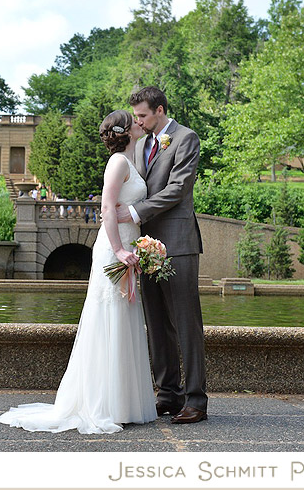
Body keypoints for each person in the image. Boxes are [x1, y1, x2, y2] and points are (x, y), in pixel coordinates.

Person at [0, 110, 156, 434]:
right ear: (126, 130)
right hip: (114, 249)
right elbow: (107, 209)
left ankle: (121, 402)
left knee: (123, 321)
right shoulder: (118, 163)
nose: (141, 122)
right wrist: (121, 250)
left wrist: (136, 246)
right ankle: (103, 404)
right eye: (135, 120)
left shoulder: (130, 161)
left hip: (127, 246)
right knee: (108, 320)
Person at [117, 86, 208, 424]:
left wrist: (136, 212)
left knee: (187, 324)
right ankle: (167, 394)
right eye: (136, 116)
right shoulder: (142, 144)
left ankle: (196, 400)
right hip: (148, 245)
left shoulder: (186, 138)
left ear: (159, 110)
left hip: (179, 243)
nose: (138, 122)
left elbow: (178, 187)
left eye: (142, 115)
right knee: (156, 324)